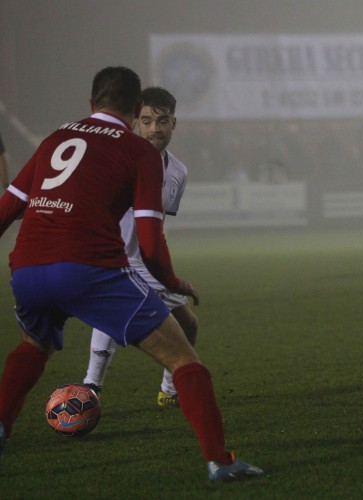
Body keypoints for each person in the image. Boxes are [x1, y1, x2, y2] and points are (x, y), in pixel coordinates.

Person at [0, 67, 261, 480]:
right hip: (88, 269)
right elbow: (151, 243)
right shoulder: (139, 153)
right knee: (182, 357)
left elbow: (9, 206)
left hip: (28, 268)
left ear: (91, 104)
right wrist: (174, 283)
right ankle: (219, 461)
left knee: (34, 345)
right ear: (137, 108)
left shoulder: (55, 138)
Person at [82, 86, 199, 407]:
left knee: (188, 324)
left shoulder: (178, 171)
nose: (154, 129)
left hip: (148, 261)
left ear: (174, 123)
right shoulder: (117, 158)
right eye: (146, 120)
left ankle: (168, 392)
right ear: (135, 121)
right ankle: (90, 387)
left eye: (162, 121)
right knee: (112, 317)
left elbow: (157, 224)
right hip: (117, 259)